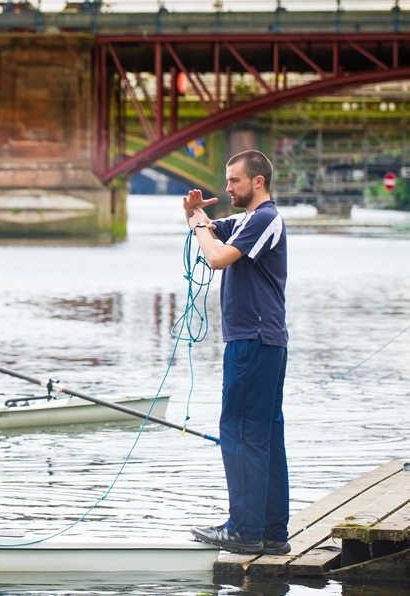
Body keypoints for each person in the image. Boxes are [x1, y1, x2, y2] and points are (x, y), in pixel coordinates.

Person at [183, 150, 291, 555]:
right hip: (261, 341)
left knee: (240, 432)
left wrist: (199, 225)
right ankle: (271, 533)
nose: (227, 188)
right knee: (265, 436)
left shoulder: (264, 218)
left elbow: (216, 257)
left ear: (258, 182)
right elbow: (207, 229)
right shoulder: (245, 220)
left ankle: (244, 530)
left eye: (235, 181)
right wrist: (193, 214)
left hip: (254, 340)